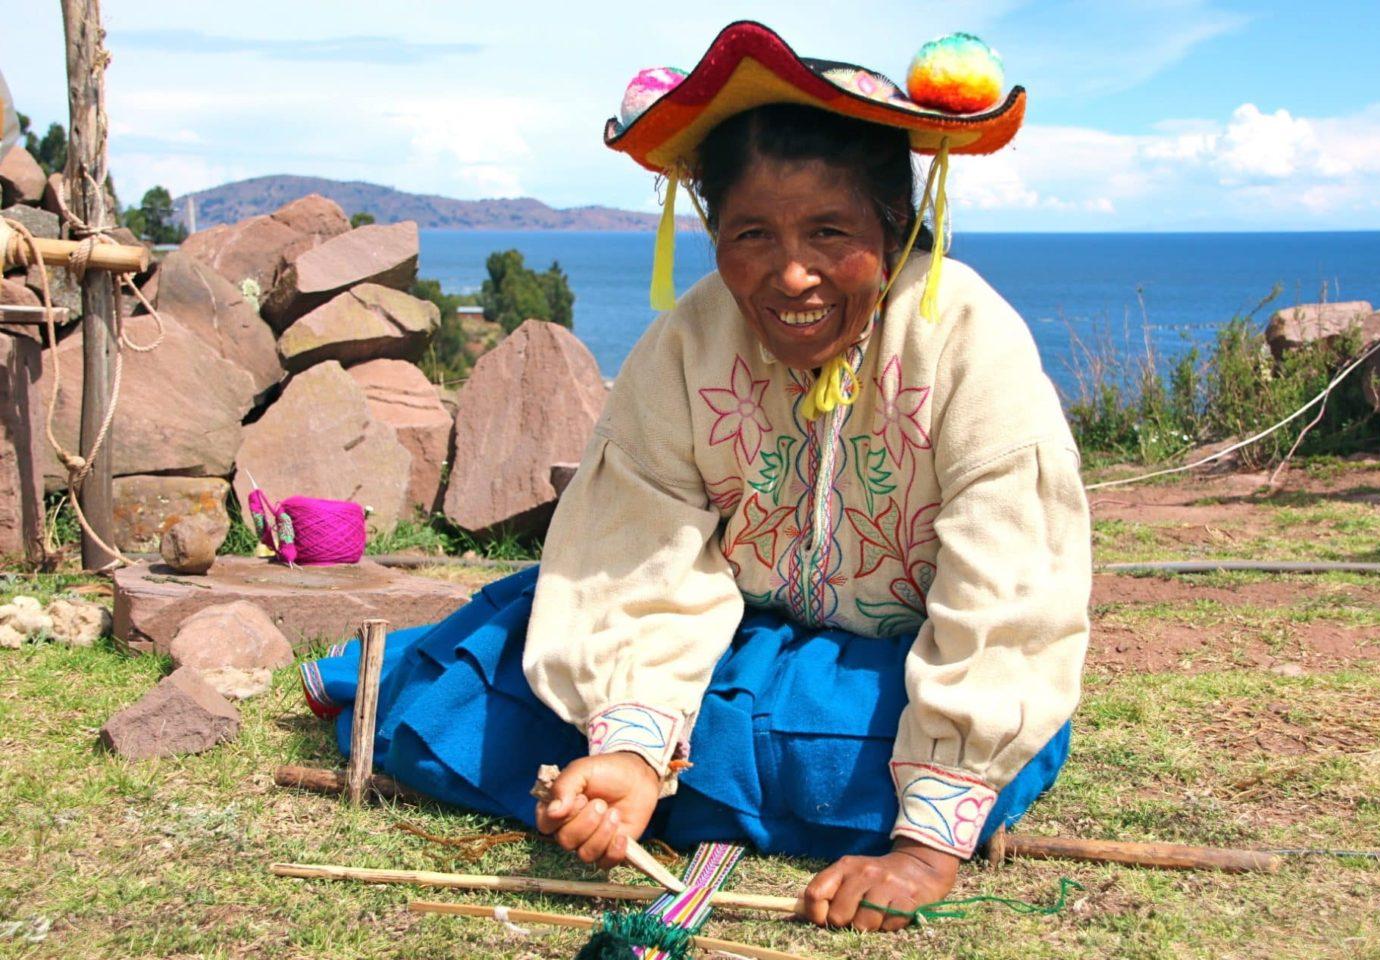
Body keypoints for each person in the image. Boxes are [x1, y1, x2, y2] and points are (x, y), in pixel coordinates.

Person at [302, 22, 1090, 933]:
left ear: (894, 225)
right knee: (525, 660)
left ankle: (424, 672)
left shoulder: (967, 340)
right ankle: (502, 706)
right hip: (715, 642)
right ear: (712, 231)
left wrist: (924, 846)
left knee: (885, 746)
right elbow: (637, 554)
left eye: (830, 232)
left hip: (899, 668)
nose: (791, 274)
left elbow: (1008, 599)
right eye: (752, 232)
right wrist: (635, 749)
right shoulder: (688, 343)